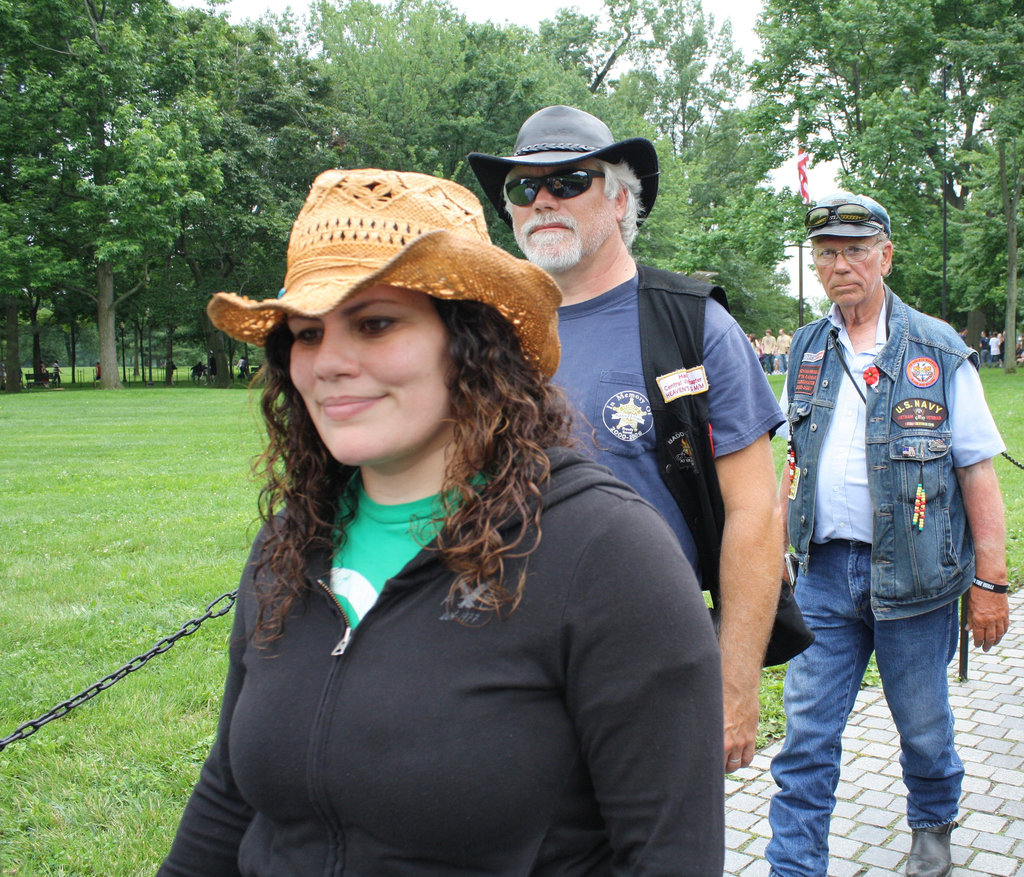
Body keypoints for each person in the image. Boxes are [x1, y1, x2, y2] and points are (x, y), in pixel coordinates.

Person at [158, 168, 725, 876]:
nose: (328, 363)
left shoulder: (609, 556)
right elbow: (229, 798)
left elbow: (670, 856)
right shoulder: (292, 542)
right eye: (306, 333)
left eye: (375, 323)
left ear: (471, 342)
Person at [469, 105, 784, 771]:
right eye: (524, 188)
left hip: (652, 655)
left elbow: (756, 513)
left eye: (568, 181)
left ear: (619, 199)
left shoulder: (693, 326)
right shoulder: (485, 336)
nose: (543, 200)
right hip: (504, 657)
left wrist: (733, 688)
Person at [769, 192, 1011, 877]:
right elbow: (789, 458)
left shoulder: (936, 347)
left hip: (917, 579)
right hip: (822, 576)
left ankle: (933, 823)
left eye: (854, 250)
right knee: (806, 735)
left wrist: (990, 582)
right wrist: (774, 552)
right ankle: (794, 865)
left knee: (924, 727)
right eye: (826, 253)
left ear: (885, 255)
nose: (839, 264)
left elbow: (977, 473)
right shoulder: (809, 347)